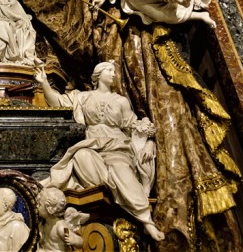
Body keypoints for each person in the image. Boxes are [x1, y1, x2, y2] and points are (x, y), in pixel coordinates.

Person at [34, 61, 165, 241]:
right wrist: (43, 82)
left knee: (120, 169)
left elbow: (134, 126)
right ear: (98, 74)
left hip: (117, 148)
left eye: (114, 71)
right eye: (109, 70)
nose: (113, 74)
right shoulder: (83, 97)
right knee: (80, 156)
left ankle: (147, 221)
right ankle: (116, 188)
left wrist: (149, 142)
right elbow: (57, 101)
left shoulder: (121, 101)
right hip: (92, 146)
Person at [36, 187, 89, 252]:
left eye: (39, 204)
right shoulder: (44, 224)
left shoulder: (60, 227)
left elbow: (80, 241)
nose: (37, 206)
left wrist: (74, 240)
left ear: (48, 208)